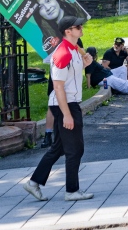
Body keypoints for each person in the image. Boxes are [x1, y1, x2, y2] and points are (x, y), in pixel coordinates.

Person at [22, 16, 95, 202]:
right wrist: (67, 115)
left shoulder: (74, 50)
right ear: (67, 31)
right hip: (66, 104)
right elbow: (58, 86)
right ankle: (72, 191)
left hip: (67, 103)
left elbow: (74, 73)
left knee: (58, 148)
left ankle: (33, 183)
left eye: (80, 26)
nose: (81, 28)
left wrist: (86, 61)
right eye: (77, 27)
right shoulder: (63, 53)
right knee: (75, 150)